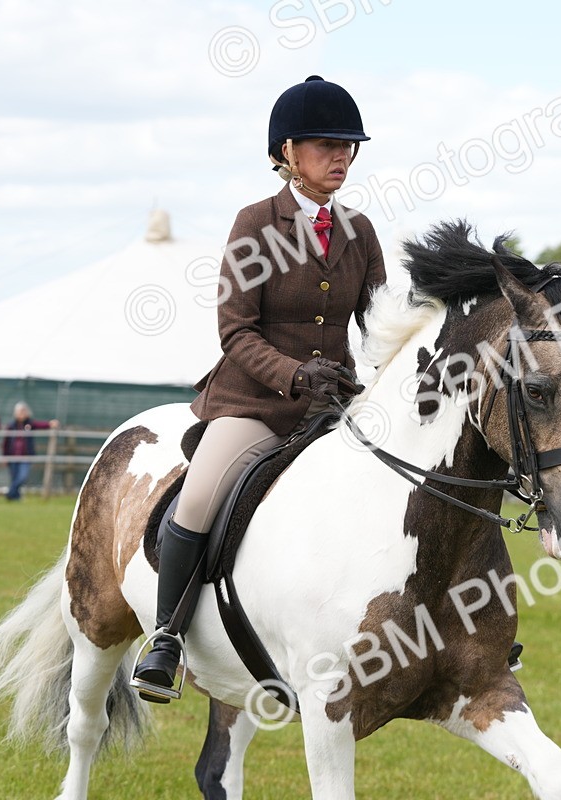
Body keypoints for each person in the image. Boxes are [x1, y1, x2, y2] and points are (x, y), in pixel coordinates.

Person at [131, 76, 387, 703]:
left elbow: (382, 324)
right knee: (195, 501)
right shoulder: (254, 224)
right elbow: (235, 330)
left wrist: (380, 380)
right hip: (256, 405)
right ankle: (165, 637)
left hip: (334, 409)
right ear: (288, 152)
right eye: (328, 145)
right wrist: (295, 375)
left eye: (350, 145)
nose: (342, 156)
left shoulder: (361, 231)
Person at [2, 402, 59, 501]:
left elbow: (40, 425)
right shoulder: (11, 426)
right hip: (13, 456)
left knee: (22, 477)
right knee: (15, 477)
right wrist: (5, 456)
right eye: (20, 412)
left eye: (23, 411)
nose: (22, 414)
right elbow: (6, 442)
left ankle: (10, 493)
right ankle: (15, 498)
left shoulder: (29, 424)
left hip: (26, 456)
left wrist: (50, 424)